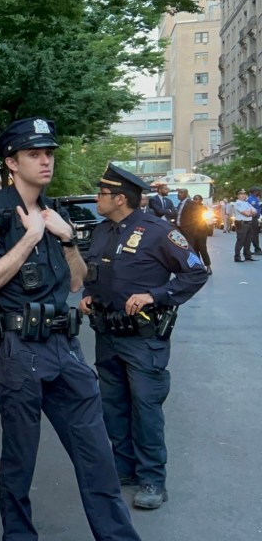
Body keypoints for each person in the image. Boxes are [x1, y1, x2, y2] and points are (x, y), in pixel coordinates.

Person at [0, 117, 140, 540]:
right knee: (20, 460)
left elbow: (78, 281)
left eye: (49, 153)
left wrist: (66, 240)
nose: (45, 161)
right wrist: (29, 237)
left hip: (66, 347)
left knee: (96, 454)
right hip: (19, 351)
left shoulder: (56, 212)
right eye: (34, 154)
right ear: (11, 162)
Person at [81, 163, 207, 511]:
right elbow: (97, 273)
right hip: (107, 333)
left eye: (102, 194)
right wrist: (90, 296)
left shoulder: (157, 231)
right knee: (113, 406)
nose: (97, 199)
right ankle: (124, 469)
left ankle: (153, 479)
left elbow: (194, 273)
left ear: (120, 198)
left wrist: (156, 294)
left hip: (142, 338)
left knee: (146, 408)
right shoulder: (102, 230)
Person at [179, 194, 212, 275]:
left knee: (202, 248)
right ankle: (199, 267)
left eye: (197, 199)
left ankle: (208, 267)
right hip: (191, 231)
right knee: (194, 249)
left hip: (201, 230)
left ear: (201, 200)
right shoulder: (188, 208)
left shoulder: (203, 208)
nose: (195, 200)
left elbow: (203, 218)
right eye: (194, 199)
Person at [231, 189, 258, 261]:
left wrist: (251, 212)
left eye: (244, 193)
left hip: (249, 223)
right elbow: (247, 214)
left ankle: (247, 255)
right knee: (240, 241)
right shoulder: (238, 203)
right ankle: (237, 257)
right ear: (237, 195)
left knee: (248, 241)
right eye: (241, 194)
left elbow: (255, 211)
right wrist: (251, 212)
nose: (243, 195)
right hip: (242, 224)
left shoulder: (246, 203)